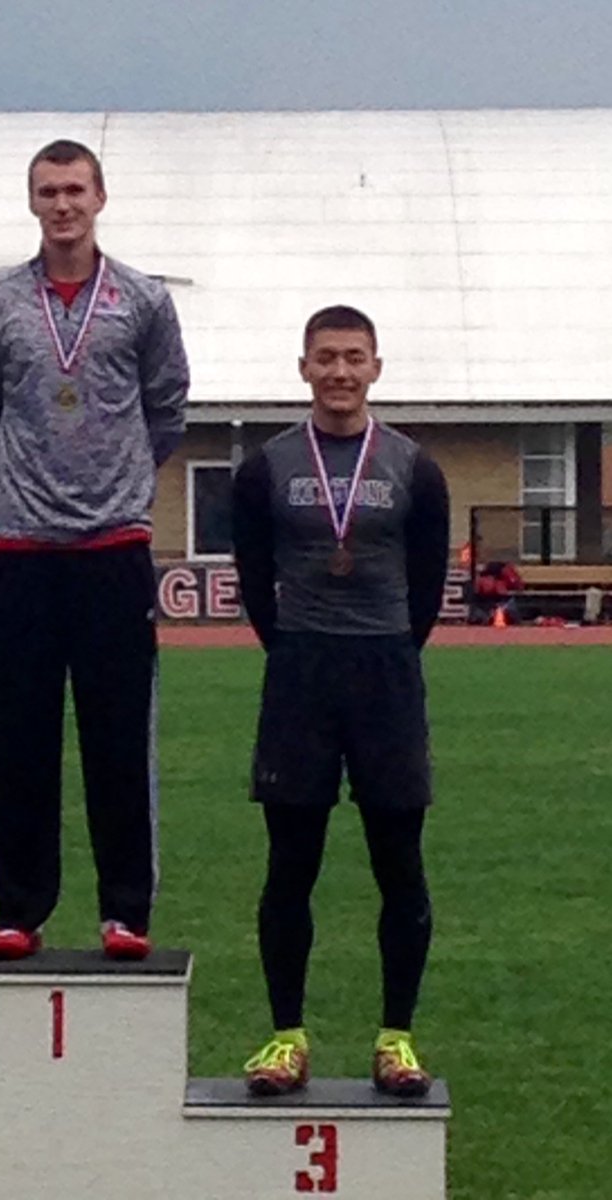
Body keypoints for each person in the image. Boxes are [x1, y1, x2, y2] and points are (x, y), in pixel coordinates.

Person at [0, 139, 190, 961]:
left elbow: (166, 408)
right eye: (48, 192)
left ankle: (125, 909)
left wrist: (114, 481)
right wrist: (31, 481)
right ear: (31, 202)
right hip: (20, 548)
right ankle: (21, 907)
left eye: (75, 190)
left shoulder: (145, 301)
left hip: (112, 547)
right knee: (20, 738)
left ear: (101, 198)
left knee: (117, 736)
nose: (63, 205)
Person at [231, 305, 449, 1097]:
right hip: (301, 677)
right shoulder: (267, 465)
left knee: (400, 864)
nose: (340, 373)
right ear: (303, 368)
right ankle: (286, 1037)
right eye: (325, 358)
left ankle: (397, 1039)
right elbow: (256, 576)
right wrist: (293, 646)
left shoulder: (414, 466)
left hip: (387, 673)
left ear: (376, 368)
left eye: (354, 358)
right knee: (291, 866)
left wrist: (388, 644)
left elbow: (427, 582)